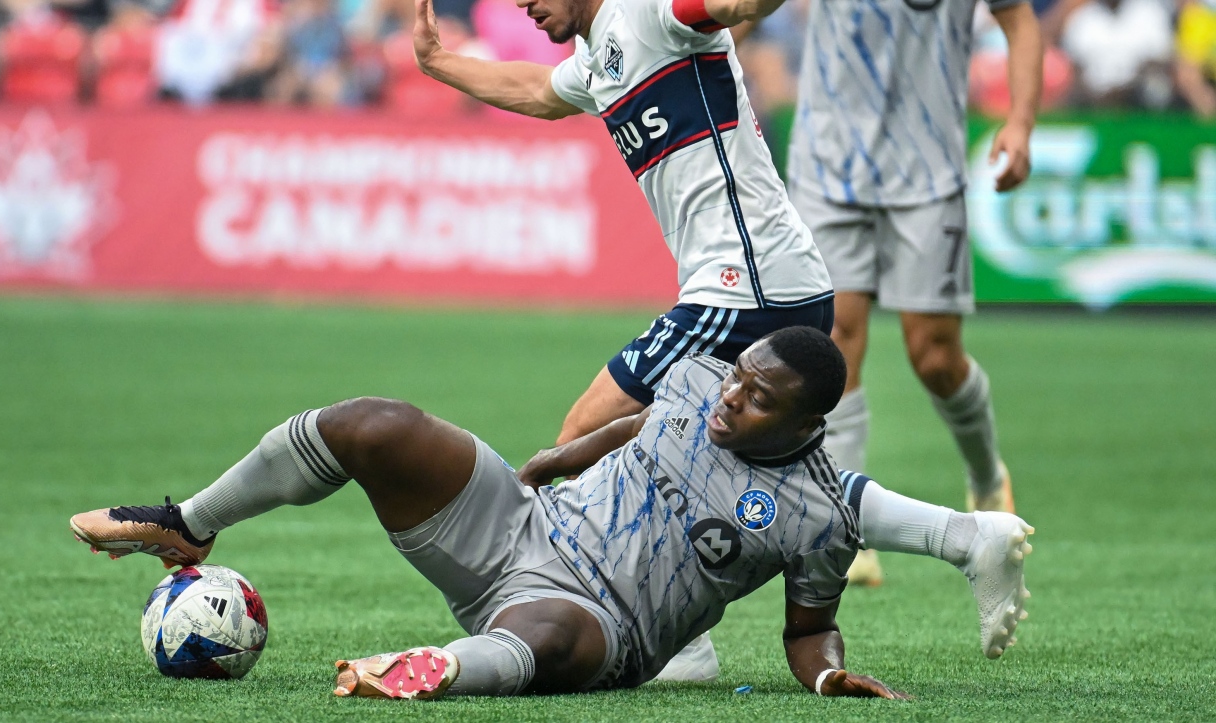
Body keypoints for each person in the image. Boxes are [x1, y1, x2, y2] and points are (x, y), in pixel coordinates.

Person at [410, 0, 1035, 681]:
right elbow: (534, 90)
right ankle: (967, 536)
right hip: (761, 282)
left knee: (589, 431)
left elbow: (733, 6)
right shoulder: (597, 58)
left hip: (746, 286)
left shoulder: (652, 13)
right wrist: (439, 63)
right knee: (755, 476)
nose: (524, 4)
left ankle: (676, 638)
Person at [70, 327, 1031, 699]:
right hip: (524, 528)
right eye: (739, 381)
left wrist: (829, 681)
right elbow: (650, 422)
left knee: (549, 632)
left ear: (809, 419)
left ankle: (436, 670)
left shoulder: (821, 515)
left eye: (760, 398)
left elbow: (809, 631)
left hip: (602, 623)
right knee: (377, 425)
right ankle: (190, 520)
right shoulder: (702, 380)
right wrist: (568, 452)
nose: (734, 399)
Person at [783, 0, 1044, 589]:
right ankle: (844, 528)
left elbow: (1020, 21)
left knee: (934, 357)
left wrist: (1020, 121)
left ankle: (984, 472)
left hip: (927, 172)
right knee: (834, 341)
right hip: (827, 166)